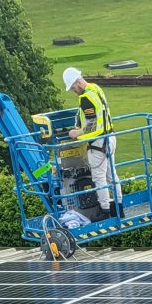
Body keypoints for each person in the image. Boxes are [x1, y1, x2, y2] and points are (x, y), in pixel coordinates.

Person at [62, 67, 119, 220]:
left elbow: (92, 125)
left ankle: (105, 211)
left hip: (98, 143)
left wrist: (76, 133)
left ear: (77, 82)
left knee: (99, 178)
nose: (74, 91)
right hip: (109, 137)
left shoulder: (85, 98)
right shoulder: (95, 89)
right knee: (112, 175)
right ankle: (118, 208)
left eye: (73, 87)